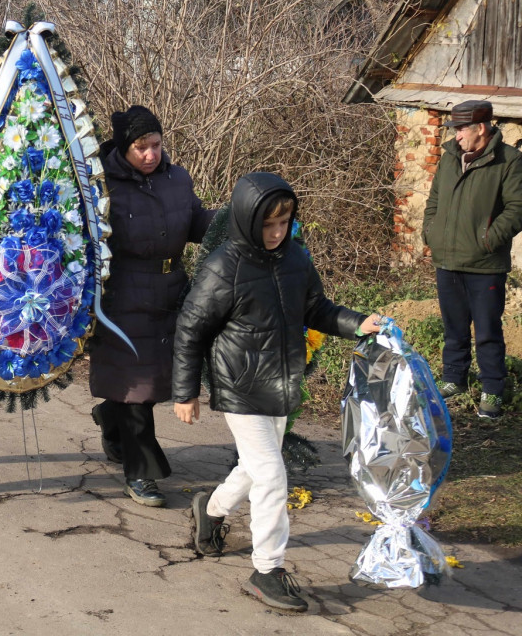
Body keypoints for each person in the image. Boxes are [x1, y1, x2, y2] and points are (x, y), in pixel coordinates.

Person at [172, 172, 382, 613]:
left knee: (255, 467)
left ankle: (209, 511)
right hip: (239, 385)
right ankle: (266, 570)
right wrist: (185, 392)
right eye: (268, 224)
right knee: (271, 475)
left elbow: (316, 308)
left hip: (282, 381)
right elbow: (191, 329)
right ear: (248, 220)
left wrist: (356, 322)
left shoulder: (295, 260)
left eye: (284, 223)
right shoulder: (222, 267)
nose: (276, 233)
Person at [89, 106, 213, 507]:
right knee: (136, 386)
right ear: (125, 148)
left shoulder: (177, 180)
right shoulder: (101, 186)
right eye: (141, 147)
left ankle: (111, 419)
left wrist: (243, 220)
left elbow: (197, 223)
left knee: (155, 381)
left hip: (172, 291)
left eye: (156, 145)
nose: (150, 154)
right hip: (122, 295)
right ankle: (141, 474)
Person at [423, 99, 522, 420]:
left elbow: (517, 208)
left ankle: (492, 387)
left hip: (485, 265)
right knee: (453, 327)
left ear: (481, 128)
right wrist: (432, 232)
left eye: (461, 129)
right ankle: (454, 378)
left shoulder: (508, 161)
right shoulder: (450, 157)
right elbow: (434, 200)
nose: (456, 135)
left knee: (488, 330)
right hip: (447, 259)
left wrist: (488, 240)